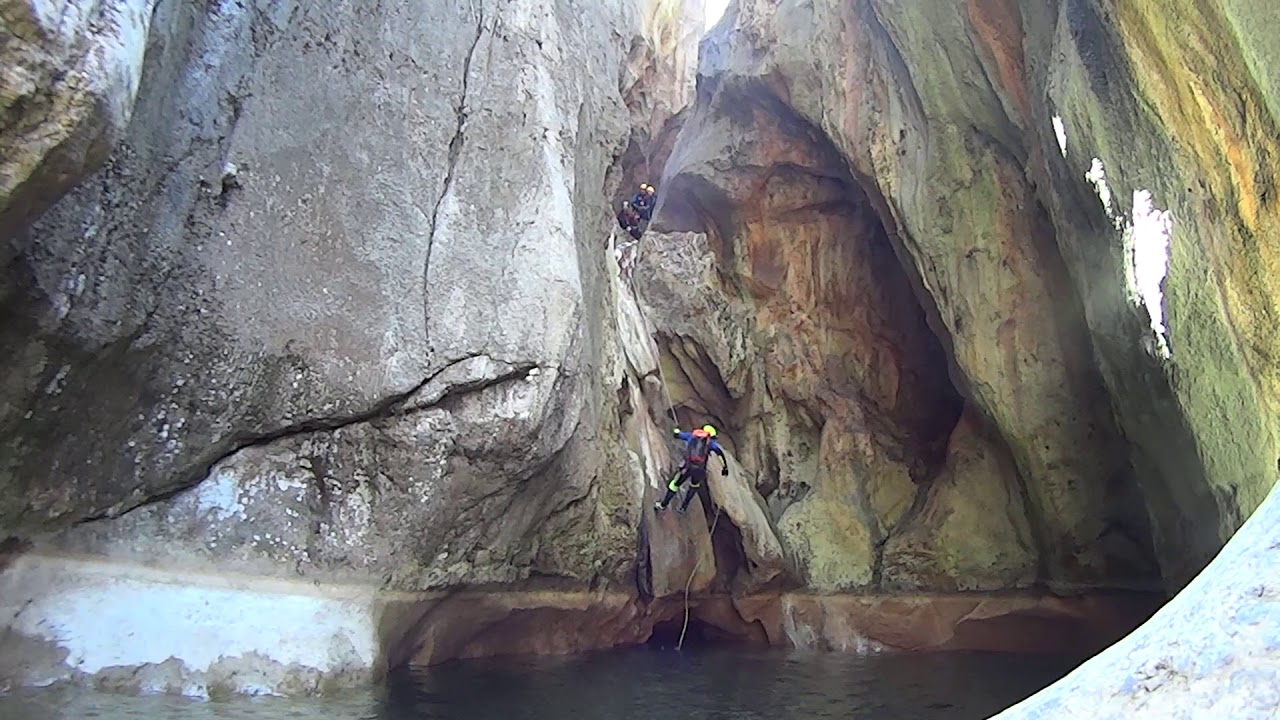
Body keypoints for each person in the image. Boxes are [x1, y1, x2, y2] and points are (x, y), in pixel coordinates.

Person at [654, 424, 728, 514]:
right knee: (694, 486)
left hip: (687, 467)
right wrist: (725, 468)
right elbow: (720, 454)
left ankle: (663, 505)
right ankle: (683, 508)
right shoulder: (711, 444)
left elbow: (676, 434)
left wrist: (676, 429)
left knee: (674, 484)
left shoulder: (691, 436)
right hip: (700, 470)